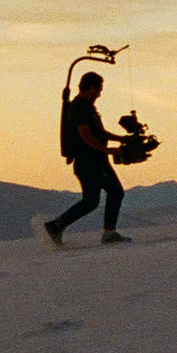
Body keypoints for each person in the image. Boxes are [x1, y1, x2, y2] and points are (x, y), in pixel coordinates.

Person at [44, 70, 131, 245]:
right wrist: (108, 151)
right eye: (98, 90)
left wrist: (121, 139)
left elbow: (99, 132)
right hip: (88, 162)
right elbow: (85, 135)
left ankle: (57, 226)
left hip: (97, 161)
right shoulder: (78, 108)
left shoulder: (88, 108)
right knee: (103, 196)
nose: (99, 94)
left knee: (101, 197)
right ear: (91, 88)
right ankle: (106, 232)